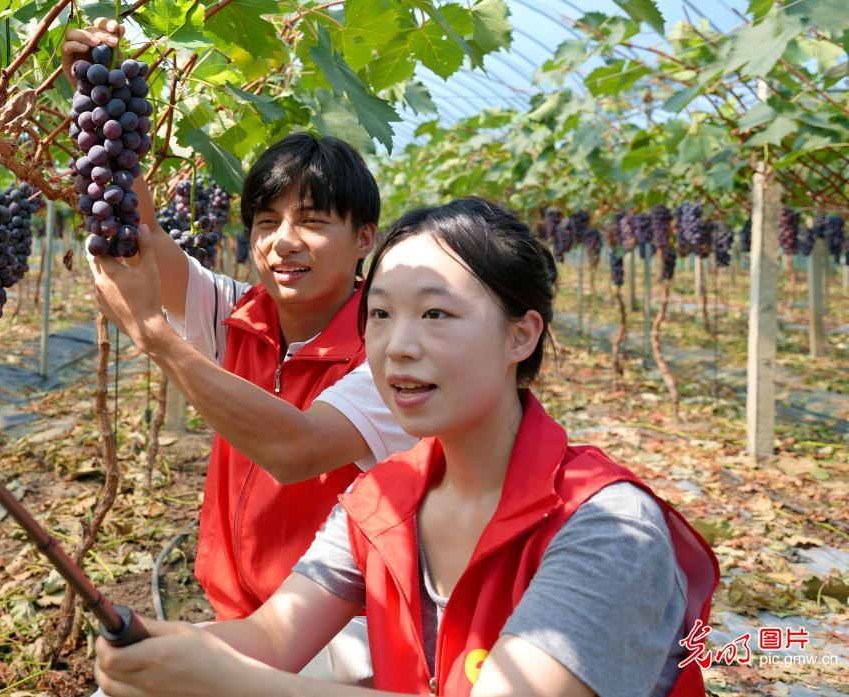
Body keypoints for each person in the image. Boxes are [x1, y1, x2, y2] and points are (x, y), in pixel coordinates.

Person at [91, 199, 721, 696]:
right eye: (382, 315)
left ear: (521, 335)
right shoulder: (381, 497)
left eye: (436, 315)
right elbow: (272, 636)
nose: (397, 346)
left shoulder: (609, 529)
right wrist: (161, 643)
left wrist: (230, 684)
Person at [63, 21, 417, 683]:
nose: (283, 241)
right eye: (266, 222)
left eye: (312, 221)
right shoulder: (239, 312)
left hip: (344, 639)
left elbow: (298, 448)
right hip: (243, 615)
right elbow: (140, 237)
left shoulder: (394, 351)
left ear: (364, 236)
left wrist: (156, 337)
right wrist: (95, 94)